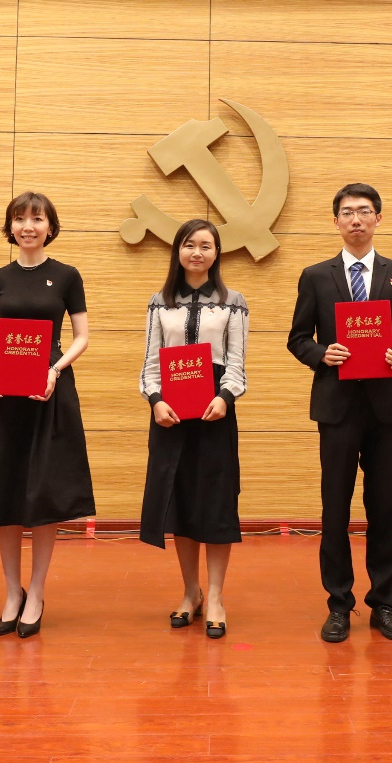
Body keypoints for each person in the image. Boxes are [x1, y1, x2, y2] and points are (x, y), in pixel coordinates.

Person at [0, 191, 93, 639]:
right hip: (1, 393)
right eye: (20, 219)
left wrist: (55, 369)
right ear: (10, 227)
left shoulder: (67, 276)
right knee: (5, 492)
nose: (28, 226)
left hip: (48, 390)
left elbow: (82, 336)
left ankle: (38, 591)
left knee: (42, 495)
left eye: (37, 218)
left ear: (50, 226)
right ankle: (13, 591)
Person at [287, 183, 392, 643]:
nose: (357, 220)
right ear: (336, 221)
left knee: (383, 507)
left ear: (379, 219)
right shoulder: (316, 275)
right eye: (348, 212)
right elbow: (298, 338)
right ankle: (339, 603)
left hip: (385, 408)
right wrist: (321, 354)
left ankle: (385, 604)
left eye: (365, 212)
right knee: (335, 509)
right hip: (337, 406)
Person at [139, 219, 249, 640]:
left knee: (216, 503)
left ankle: (217, 596)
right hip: (170, 413)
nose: (197, 252)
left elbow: (237, 361)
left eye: (206, 245)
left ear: (217, 253)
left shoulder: (233, 301)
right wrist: (155, 400)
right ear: (178, 251)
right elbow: (150, 361)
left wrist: (225, 397)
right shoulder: (159, 301)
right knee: (181, 502)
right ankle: (191, 593)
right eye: (189, 245)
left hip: (215, 412)